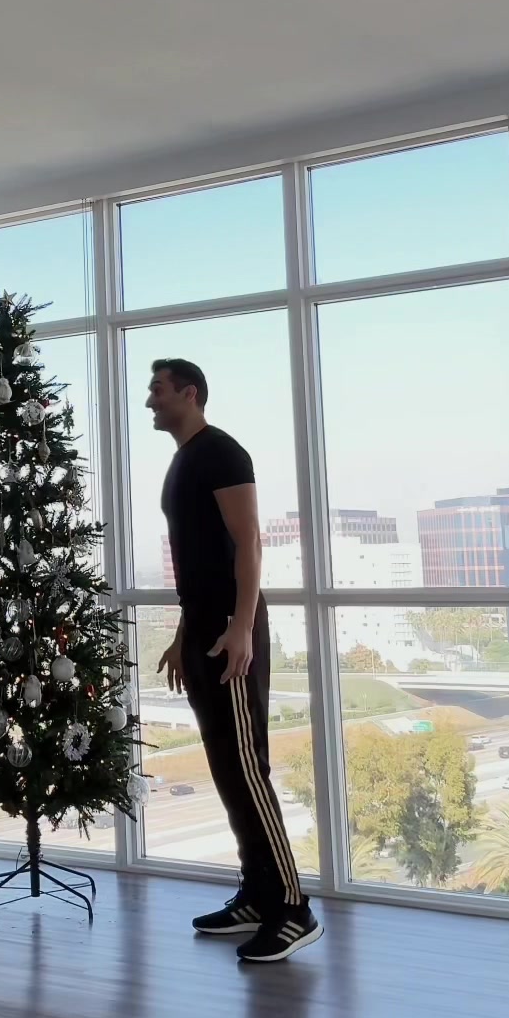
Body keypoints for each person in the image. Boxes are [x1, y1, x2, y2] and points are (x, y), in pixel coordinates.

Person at [149, 359, 321, 963]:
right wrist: (182, 634)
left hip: (231, 630)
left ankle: (292, 908)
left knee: (247, 768)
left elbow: (249, 541)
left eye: (158, 389)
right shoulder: (183, 460)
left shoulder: (222, 452)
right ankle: (256, 893)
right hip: (204, 627)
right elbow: (197, 561)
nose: (150, 400)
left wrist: (241, 626)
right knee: (225, 767)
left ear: (190, 393)